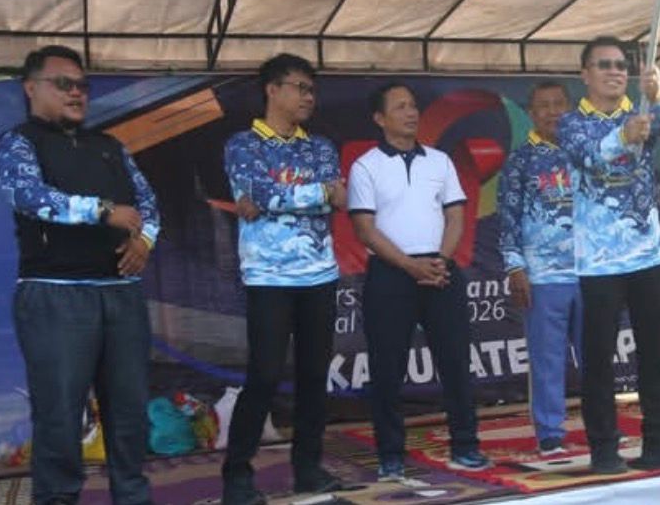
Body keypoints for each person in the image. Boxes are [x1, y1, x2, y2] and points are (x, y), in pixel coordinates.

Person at [0, 45, 160, 505]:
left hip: (121, 295)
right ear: (30, 88)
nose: (76, 92)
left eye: (82, 85)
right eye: (63, 83)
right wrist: (102, 210)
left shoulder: (109, 146)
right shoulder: (18, 143)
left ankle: (133, 497)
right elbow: (29, 196)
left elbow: (147, 203)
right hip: (56, 295)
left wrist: (145, 241)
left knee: (129, 413)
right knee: (60, 415)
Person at [557, 36, 660, 474]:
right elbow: (588, 157)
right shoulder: (571, 122)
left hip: (648, 256)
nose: (615, 72)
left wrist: (657, 93)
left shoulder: (637, 111)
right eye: (604, 65)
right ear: (585, 74)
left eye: (621, 65)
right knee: (599, 359)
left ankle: (659, 439)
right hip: (599, 262)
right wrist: (622, 135)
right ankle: (603, 449)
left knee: (654, 353)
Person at [221, 53, 346, 505]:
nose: (308, 97)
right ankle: (237, 474)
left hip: (320, 276)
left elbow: (339, 198)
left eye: (312, 90)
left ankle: (307, 469)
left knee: (314, 376)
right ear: (272, 90)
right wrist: (317, 194)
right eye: (300, 88)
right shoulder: (243, 144)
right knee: (265, 374)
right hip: (268, 278)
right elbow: (259, 194)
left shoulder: (321, 147)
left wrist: (279, 198)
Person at [348, 83, 490, 475]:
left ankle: (465, 445)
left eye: (413, 106)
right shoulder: (365, 166)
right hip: (391, 274)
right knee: (387, 368)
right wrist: (410, 267)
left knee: (456, 362)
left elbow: (456, 216)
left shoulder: (440, 161)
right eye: (400, 107)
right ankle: (391, 455)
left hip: (440, 270)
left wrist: (440, 260)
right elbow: (365, 230)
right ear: (380, 118)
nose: (411, 113)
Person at [497, 81, 581, 454]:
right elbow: (508, 217)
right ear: (531, 113)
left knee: (597, 355)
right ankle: (550, 433)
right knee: (548, 358)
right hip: (544, 275)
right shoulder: (521, 161)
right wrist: (515, 267)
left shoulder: (585, 154)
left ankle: (603, 424)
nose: (553, 112)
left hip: (591, 272)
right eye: (544, 106)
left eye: (559, 104)